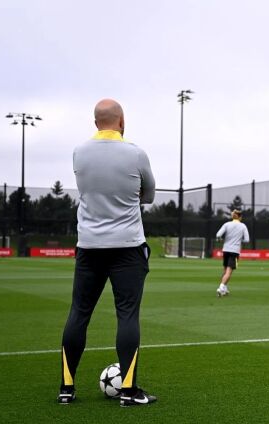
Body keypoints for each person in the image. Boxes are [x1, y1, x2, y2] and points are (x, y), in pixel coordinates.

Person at [58, 99, 156, 406]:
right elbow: (149, 195)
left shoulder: (79, 152)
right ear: (122, 121)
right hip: (127, 247)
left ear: (95, 122)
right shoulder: (136, 153)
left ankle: (66, 389)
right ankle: (128, 391)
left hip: (89, 247)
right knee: (127, 314)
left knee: (79, 313)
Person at [216, 210, 250, 296]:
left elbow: (218, 235)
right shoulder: (243, 226)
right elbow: (247, 240)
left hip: (226, 250)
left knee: (225, 270)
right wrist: (239, 240)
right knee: (229, 271)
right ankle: (221, 287)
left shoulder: (227, 224)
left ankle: (225, 288)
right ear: (240, 217)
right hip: (234, 251)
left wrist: (220, 240)